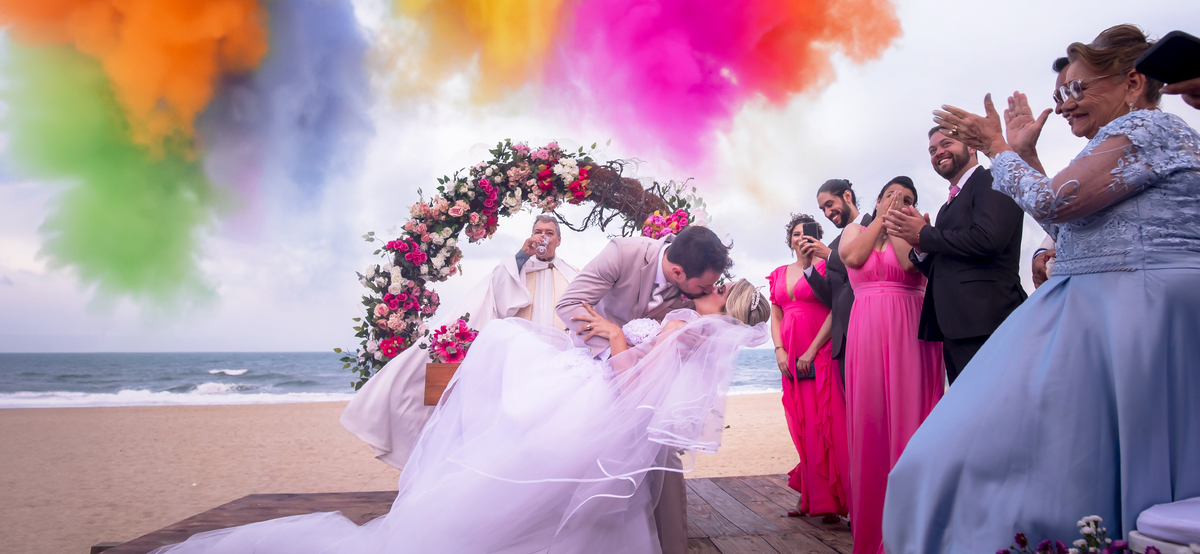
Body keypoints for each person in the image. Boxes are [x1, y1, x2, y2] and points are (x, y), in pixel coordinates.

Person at [151, 281, 771, 554]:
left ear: (722, 301)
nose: (709, 288)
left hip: (600, 403)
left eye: (719, 286)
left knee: (507, 355)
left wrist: (611, 333)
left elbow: (627, 374)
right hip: (612, 422)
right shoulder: (696, 329)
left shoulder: (688, 328)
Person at [884, 24, 1200, 552]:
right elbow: (1069, 227)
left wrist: (996, 148)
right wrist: (1024, 157)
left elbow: (1057, 204)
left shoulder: (1151, 129)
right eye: (1060, 94)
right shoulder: (1117, 142)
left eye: (1077, 89)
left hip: (1136, 312)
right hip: (1102, 312)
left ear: (1132, 82)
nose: (1066, 105)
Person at [340, 215, 578, 469]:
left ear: (559, 240)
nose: (543, 237)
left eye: (549, 232)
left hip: (556, 367)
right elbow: (496, 296)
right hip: (516, 369)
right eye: (538, 231)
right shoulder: (515, 268)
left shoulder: (572, 275)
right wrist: (522, 254)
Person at [556, 223, 732, 554]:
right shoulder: (624, 253)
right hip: (593, 363)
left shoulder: (695, 302)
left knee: (654, 456)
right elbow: (570, 304)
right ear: (678, 271)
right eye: (705, 285)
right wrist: (613, 347)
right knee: (579, 455)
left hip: (640, 380)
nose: (709, 290)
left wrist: (629, 357)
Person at [839, 177, 945, 554]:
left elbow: (906, 263)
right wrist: (882, 219)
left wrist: (904, 223)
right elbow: (852, 257)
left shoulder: (916, 231)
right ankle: (871, 533)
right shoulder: (856, 229)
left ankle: (908, 535)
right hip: (866, 328)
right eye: (892, 195)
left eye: (908, 199)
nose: (899, 201)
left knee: (910, 422)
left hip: (908, 328)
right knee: (871, 423)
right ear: (878, 198)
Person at [882, 125, 1026, 383]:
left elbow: (988, 240)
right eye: (932, 150)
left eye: (946, 144)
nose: (938, 152)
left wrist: (925, 234)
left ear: (971, 146)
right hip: (956, 325)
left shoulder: (994, 179)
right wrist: (919, 245)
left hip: (987, 320)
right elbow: (948, 262)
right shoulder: (947, 205)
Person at [768, 214, 849, 521]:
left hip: (820, 350)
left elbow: (836, 308)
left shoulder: (827, 266)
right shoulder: (777, 274)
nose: (801, 238)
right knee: (801, 425)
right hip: (790, 355)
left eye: (807, 233)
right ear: (790, 240)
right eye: (796, 233)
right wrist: (779, 351)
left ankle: (835, 501)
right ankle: (812, 499)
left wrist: (812, 350)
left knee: (827, 423)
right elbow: (775, 315)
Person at [802, 179, 865, 386]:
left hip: (871, 332)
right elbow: (832, 299)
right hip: (844, 343)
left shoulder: (874, 227)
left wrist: (829, 256)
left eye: (830, 204)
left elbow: (867, 269)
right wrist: (808, 266)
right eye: (823, 209)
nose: (827, 213)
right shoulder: (833, 245)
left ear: (847, 196)